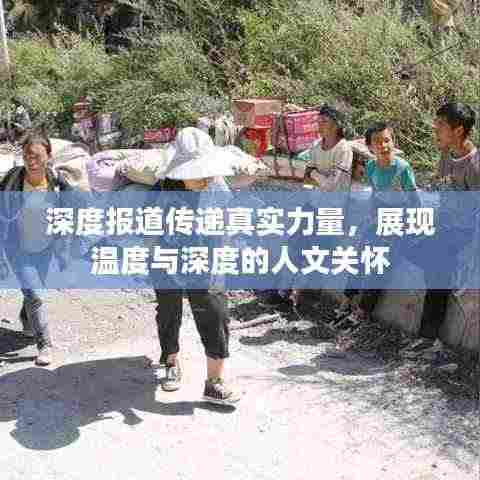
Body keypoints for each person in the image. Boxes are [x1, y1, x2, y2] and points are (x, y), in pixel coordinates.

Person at [150, 127, 241, 406]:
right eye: (196, 173)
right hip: (168, 257)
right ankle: (171, 361)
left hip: (205, 258)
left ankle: (214, 382)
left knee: (215, 313)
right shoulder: (161, 190)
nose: (204, 178)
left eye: (206, 171)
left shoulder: (217, 185)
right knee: (169, 310)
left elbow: (225, 223)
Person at [402, 102, 479, 344]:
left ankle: (428, 338)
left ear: (458, 130)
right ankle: (428, 338)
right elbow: (440, 187)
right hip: (442, 224)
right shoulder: (446, 154)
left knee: (438, 266)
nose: (434, 128)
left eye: (441, 125)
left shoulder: (475, 166)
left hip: (463, 232)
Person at [0, 131, 75, 366]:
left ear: (48, 157)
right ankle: (45, 345)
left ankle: (26, 319)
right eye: (27, 156)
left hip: (45, 248)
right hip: (17, 247)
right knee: (36, 294)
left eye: (37, 156)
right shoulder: (13, 180)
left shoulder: (57, 184)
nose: (31, 161)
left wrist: (65, 249)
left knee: (33, 292)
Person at [338, 121, 421, 323]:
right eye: (377, 142)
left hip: (400, 223)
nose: (383, 146)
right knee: (359, 255)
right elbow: (375, 195)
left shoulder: (402, 169)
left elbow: (415, 203)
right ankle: (347, 300)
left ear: (393, 141)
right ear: (369, 147)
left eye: (387, 140)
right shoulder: (372, 167)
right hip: (380, 220)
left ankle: (363, 310)